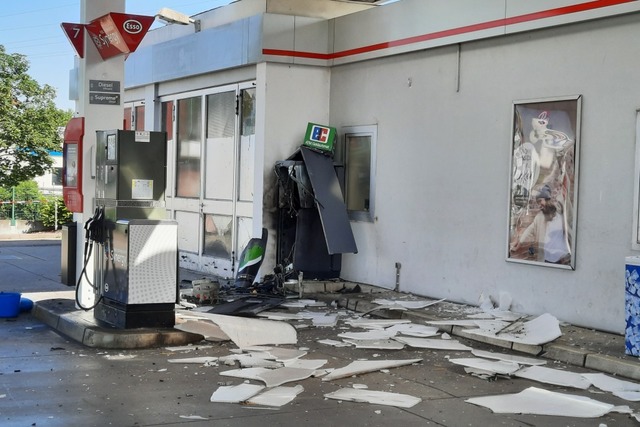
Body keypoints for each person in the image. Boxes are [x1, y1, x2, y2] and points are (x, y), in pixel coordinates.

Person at [510, 184, 571, 265]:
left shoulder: (560, 214)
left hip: (562, 258)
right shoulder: (539, 218)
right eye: (537, 202)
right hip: (547, 259)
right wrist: (518, 245)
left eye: (540, 201)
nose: (539, 205)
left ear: (547, 199)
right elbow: (528, 231)